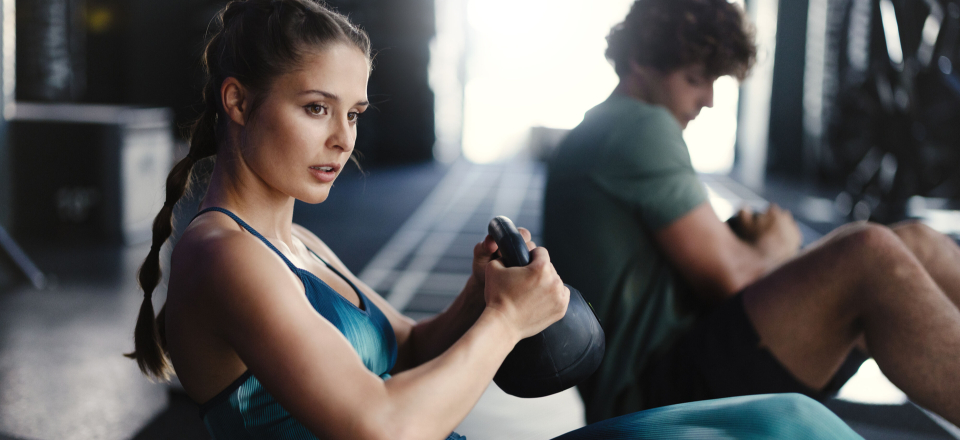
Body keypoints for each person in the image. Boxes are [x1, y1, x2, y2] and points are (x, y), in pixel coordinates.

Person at [126, 1, 864, 438]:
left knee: (784, 420)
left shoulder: (296, 243)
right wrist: (507, 323)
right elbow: (380, 427)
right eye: (317, 108)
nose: (343, 139)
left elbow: (408, 347)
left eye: (353, 114)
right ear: (238, 102)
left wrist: (478, 297)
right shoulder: (222, 255)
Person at [543, 0, 960, 427]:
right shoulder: (637, 127)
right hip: (653, 395)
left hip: (677, 364)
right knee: (870, 254)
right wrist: (776, 244)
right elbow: (735, 280)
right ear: (641, 60)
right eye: (694, 79)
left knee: (917, 243)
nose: (708, 99)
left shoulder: (602, 128)